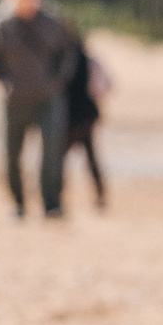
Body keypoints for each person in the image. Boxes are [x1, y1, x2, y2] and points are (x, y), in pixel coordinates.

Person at [0, 0, 79, 220]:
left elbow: (69, 53)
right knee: (10, 156)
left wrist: (58, 82)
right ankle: (18, 204)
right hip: (13, 100)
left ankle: (52, 204)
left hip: (48, 99)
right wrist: (3, 81)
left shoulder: (53, 20)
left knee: (52, 154)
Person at [63, 28, 111, 210]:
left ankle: (58, 196)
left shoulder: (61, 62)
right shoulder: (90, 61)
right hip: (86, 117)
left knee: (60, 160)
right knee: (91, 158)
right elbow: (105, 86)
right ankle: (100, 196)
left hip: (69, 117)